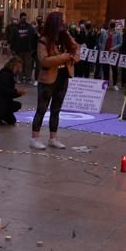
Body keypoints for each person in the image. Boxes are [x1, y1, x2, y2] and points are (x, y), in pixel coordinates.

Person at [30, 11, 79, 150]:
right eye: (61, 21)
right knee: (42, 109)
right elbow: (44, 61)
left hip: (63, 76)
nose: (63, 24)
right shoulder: (43, 40)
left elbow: (76, 49)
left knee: (56, 109)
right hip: (48, 79)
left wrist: (74, 57)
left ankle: (53, 138)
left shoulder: (66, 37)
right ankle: (35, 138)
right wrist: (64, 57)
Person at [0, 57, 25, 125]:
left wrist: (17, 93)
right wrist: (17, 92)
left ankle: (0, 115)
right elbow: (5, 91)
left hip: (1, 100)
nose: (19, 69)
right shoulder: (5, 75)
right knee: (17, 105)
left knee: (12, 120)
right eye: (18, 67)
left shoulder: (7, 74)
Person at [9, 13, 35, 83]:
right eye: (23, 18)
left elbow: (33, 37)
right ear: (20, 18)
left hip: (28, 50)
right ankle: (20, 78)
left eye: (25, 18)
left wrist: (33, 48)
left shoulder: (29, 27)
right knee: (19, 64)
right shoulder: (16, 28)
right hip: (18, 50)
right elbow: (12, 39)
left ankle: (28, 78)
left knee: (28, 64)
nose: (24, 19)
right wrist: (12, 49)